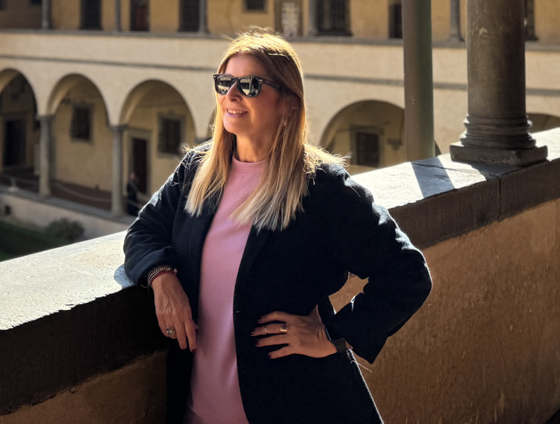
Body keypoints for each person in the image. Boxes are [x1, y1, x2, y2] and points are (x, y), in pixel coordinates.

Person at [123, 30, 432, 424]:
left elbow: (407, 272)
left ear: (288, 102)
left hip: (294, 405)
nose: (231, 95)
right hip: (198, 411)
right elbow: (143, 231)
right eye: (224, 82)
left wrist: (330, 336)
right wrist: (162, 277)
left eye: (249, 85)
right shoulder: (198, 170)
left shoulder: (321, 188)